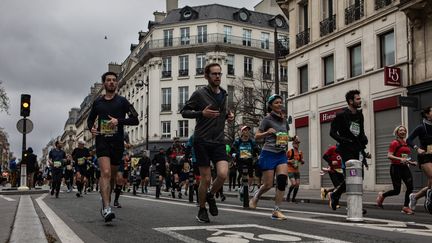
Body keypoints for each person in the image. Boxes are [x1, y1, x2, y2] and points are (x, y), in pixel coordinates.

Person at [181, 62, 234, 223]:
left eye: (219, 74)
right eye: (214, 74)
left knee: (223, 174)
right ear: (207, 76)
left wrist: (228, 116)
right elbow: (184, 112)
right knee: (206, 178)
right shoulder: (199, 94)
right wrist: (201, 113)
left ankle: (210, 194)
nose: (218, 76)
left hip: (218, 140)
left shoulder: (224, 94)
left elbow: (221, 113)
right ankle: (202, 209)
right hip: (202, 140)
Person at [87, 71, 139, 222]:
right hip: (102, 141)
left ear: (117, 83)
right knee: (106, 172)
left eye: (114, 80)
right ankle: (107, 207)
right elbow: (90, 121)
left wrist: (119, 121)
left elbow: (135, 120)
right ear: (104, 84)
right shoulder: (98, 103)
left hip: (117, 143)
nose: (111, 82)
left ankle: (105, 199)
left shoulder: (123, 102)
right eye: (108, 80)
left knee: (112, 177)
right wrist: (92, 129)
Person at [248, 94, 289, 220]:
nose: (279, 104)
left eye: (280, 102)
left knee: (282, 180)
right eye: (276, 103)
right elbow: (256, 136)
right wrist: (267, 132)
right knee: (268, 185)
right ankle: (256, 195)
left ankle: (276, 210)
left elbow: (284, 136)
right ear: (271, 105)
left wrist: (292, 138)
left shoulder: (285, 120)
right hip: (268, 153)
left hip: (281, 154)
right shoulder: (267, 119)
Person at [328, 90, 369, 211]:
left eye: (360, 99)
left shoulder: (359, 114)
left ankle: (335, 194)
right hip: (346, 149)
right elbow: (332, 132)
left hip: (358, 149)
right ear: (350, 101)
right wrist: (343, 140)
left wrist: (364, 142)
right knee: (352, 176)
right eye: (357, 99)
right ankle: (354, 205)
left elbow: (361, 132)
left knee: (359, 178)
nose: (360, 100)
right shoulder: (341, 115)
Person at [376, 125, 416, 214]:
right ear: (397, 133)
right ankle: (382, 195)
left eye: (404, 130)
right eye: (400, 130)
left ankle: (405, 207)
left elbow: (404, 157)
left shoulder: (405, 143)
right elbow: (389, 155)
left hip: (404, 167)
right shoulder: (394, 143)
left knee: (410, 187)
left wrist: (410, 162)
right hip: (395, 168)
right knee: (396, 191)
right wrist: (400, 159)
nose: (403, 132)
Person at [406, 106, 432, 213]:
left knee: (430, 185)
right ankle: (429, 201)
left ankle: (415, 197)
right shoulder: (421, 127)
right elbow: (409, 140)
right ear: (427, 114)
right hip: (425, 157)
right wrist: (417, 148)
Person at [286, 135, 304, 203]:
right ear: (293, 144)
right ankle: (288, 195)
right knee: (293, 184)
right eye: (296, 143)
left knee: (297, 184)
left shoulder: (300, 152)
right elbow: (284, 160)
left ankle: (293, 198)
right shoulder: (290, 151)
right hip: (290, 170)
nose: (297, 144)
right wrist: (289, 161)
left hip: (296, 170)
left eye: (298, 143)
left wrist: (302, 161)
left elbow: (301, 161)